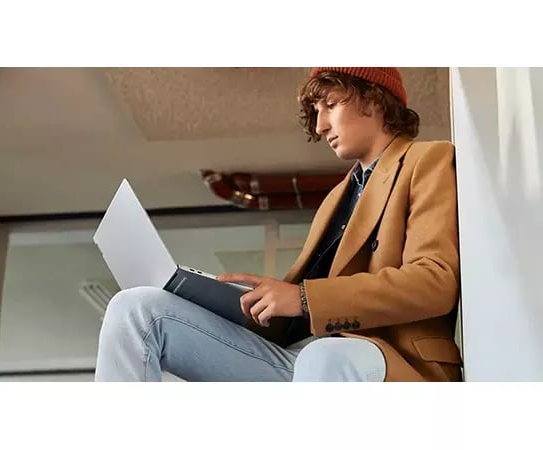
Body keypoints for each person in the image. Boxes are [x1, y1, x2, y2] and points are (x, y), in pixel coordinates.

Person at [94, 67, 462, 382]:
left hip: (395, 363)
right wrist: (241, 302)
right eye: (316, 111)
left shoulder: (426, 159)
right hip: (307, 360)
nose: (320, 125)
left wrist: (303, 298)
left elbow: (435, 281)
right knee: (136, 310)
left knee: (322, 357)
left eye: (331, 105)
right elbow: (300, 316)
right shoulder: (337, 197)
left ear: (374, 99)